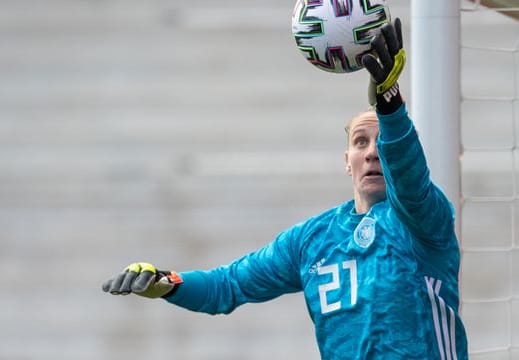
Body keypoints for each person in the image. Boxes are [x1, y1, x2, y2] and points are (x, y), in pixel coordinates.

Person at [103, 18, 468, 359]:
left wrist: (389, 103)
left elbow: (410, 179)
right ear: (347, 160)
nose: (372, 152)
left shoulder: (424, 221)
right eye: (360, 142)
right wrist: (167, 283)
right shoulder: (312, 240)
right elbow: (227, 286)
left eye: (380, 141)